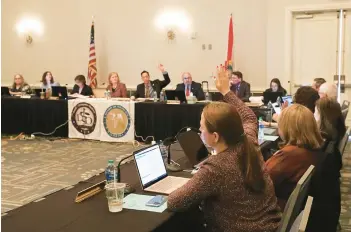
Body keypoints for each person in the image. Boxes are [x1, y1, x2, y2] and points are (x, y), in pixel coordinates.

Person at [168, 66, 282, 232]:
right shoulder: (249, 142)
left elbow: (174, 201)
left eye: (202, 128)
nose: (200, 132)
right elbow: (249, 117)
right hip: (269, 225)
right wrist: (226, 91)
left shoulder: (215, 169)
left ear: (215, 137)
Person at [265, 104, 324, 210]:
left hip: (273, 208)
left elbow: (260, 182)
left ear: (288, 128)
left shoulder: (289, 155)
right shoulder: (311, 149)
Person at [306, 97, 345, 232]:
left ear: (323, 118)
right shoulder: (330, 142)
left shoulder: (323, 150)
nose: (312, 116)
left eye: (315, 113)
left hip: (317, 214)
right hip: (328, 209)